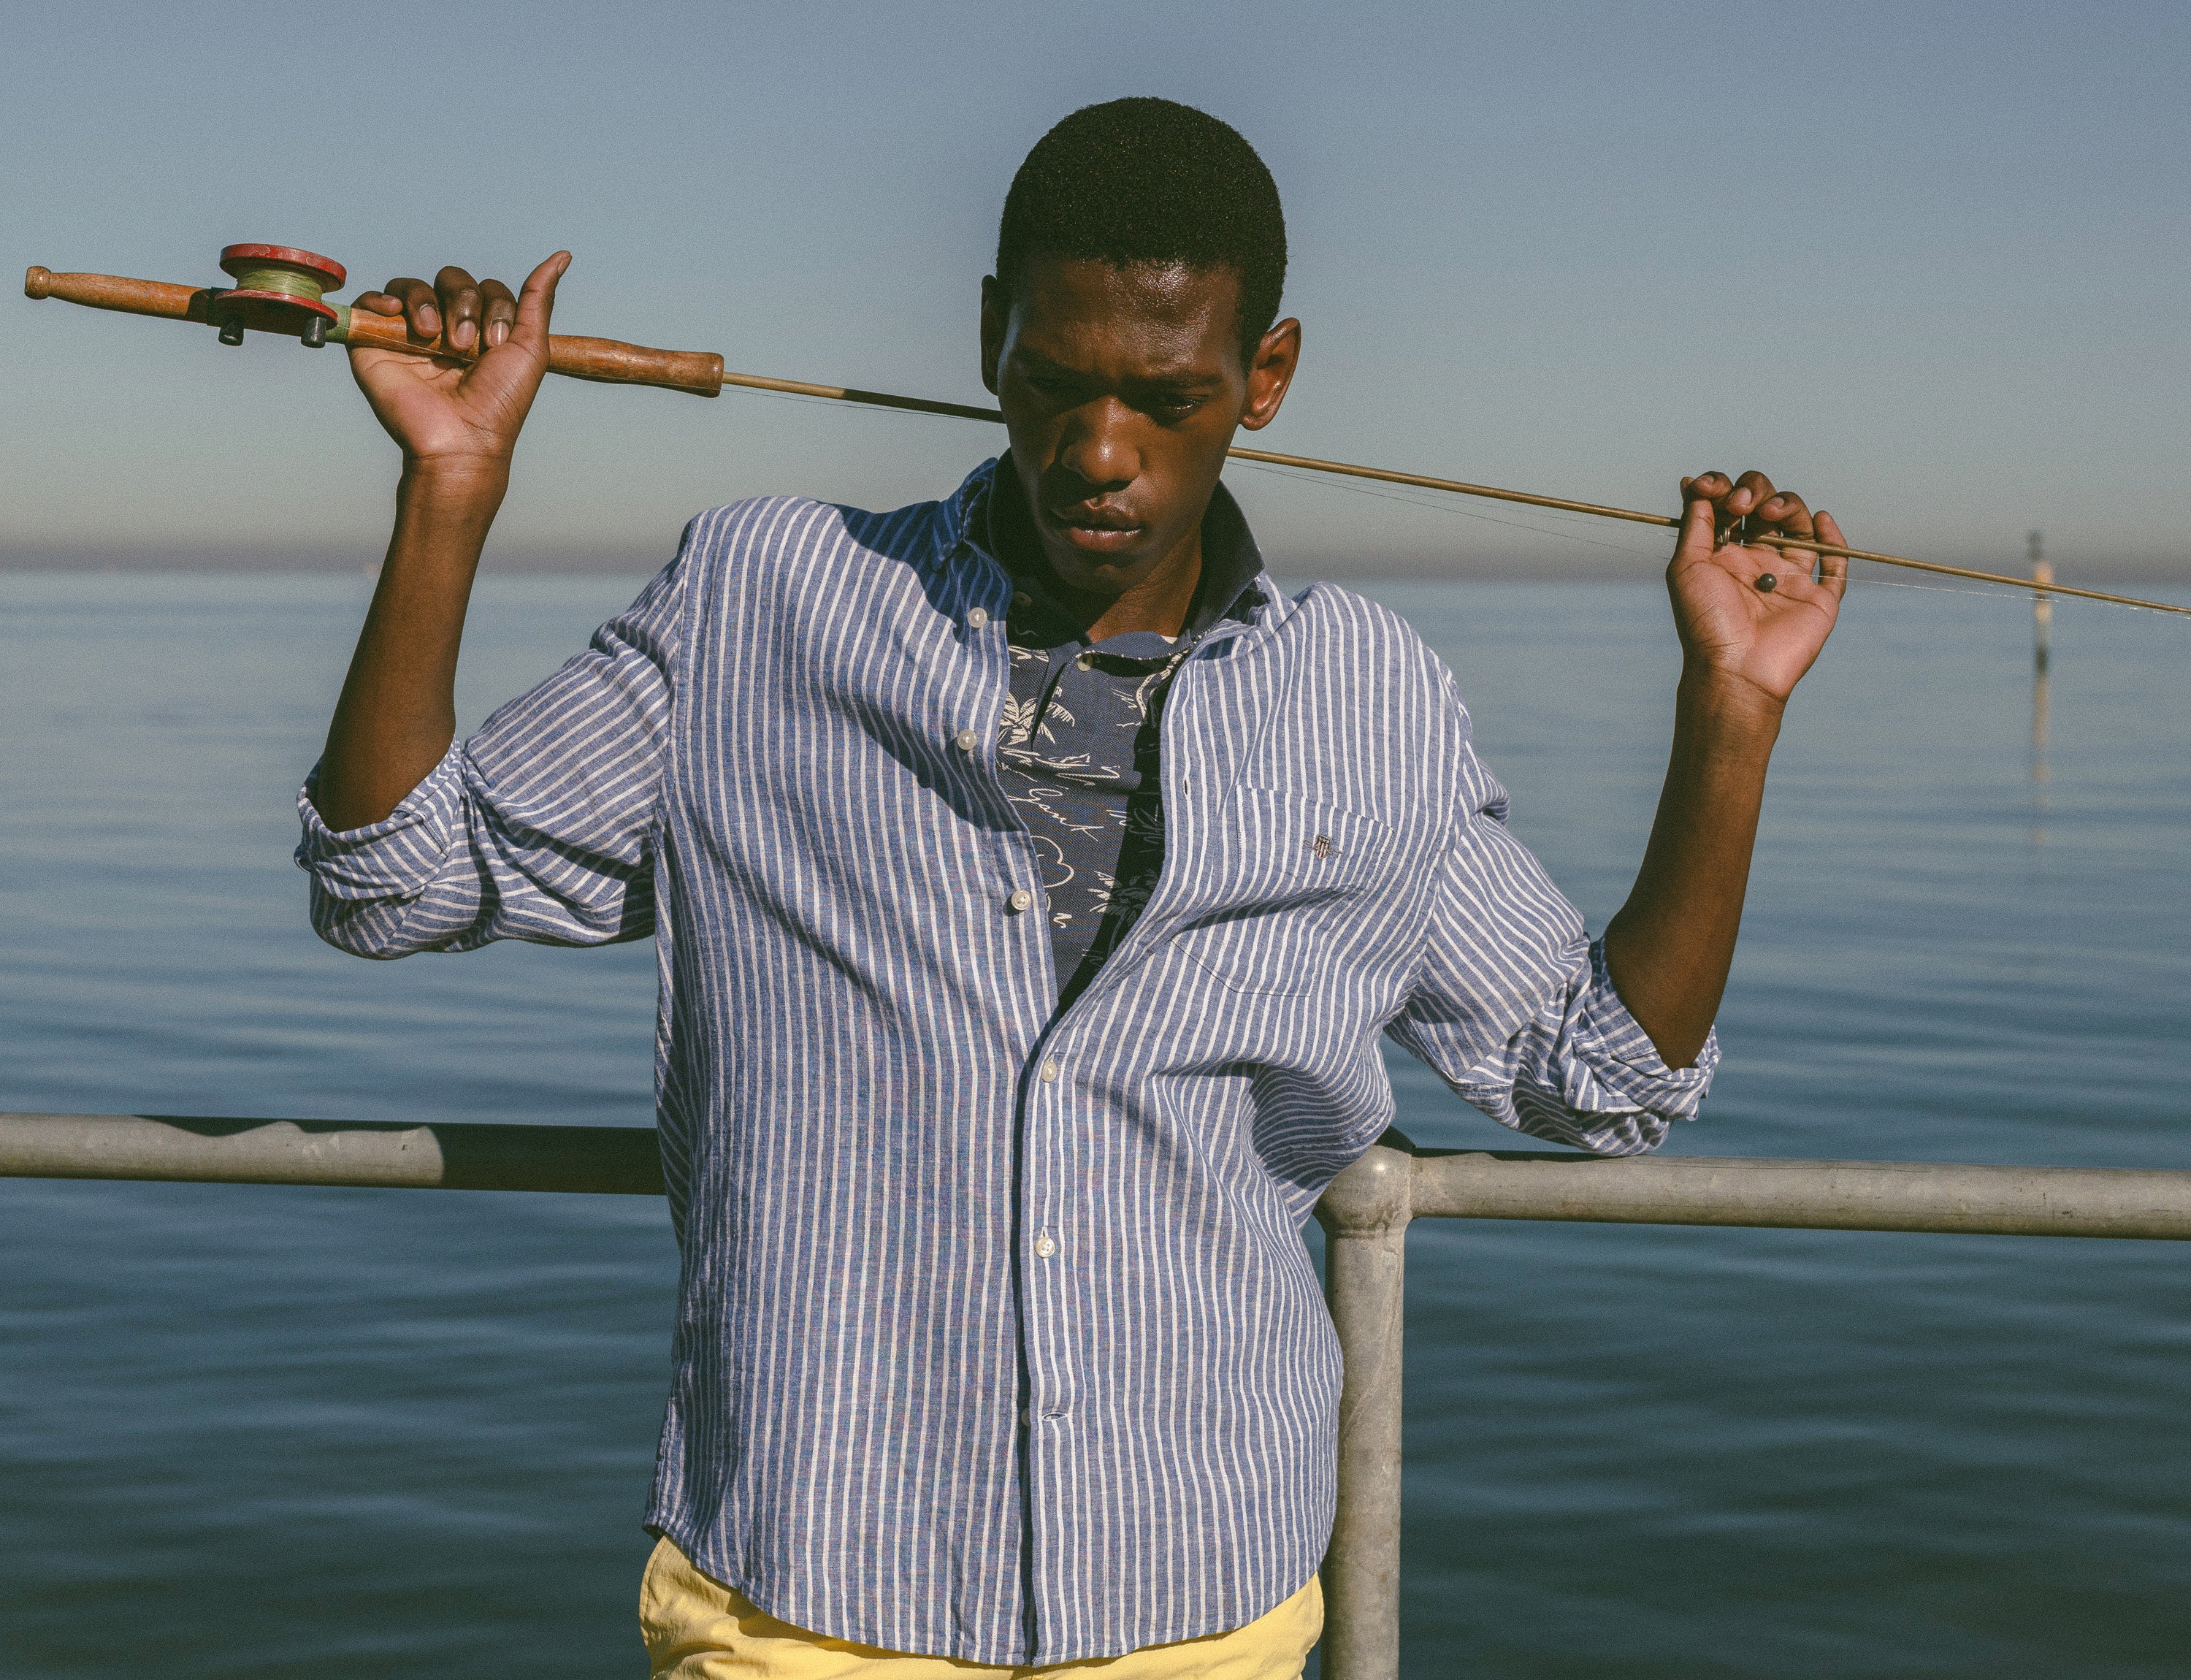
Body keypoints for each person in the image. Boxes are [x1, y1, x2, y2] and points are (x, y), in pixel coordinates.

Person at [299, 97, 1844, 1679]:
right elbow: (390, 881)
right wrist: (452, 483)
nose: (1100, 453)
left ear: (1267, 377)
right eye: (1054, 383)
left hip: (1202, 1606)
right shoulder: (757, 604)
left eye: (1167, 399)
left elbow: (1606, 1076)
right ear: (991, 336)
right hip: (807, 1603)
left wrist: (1733, 706)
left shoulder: (1371, 698)